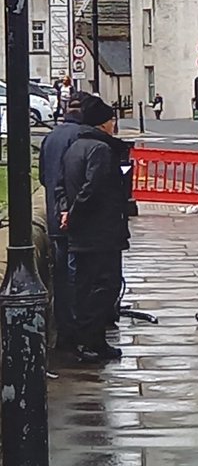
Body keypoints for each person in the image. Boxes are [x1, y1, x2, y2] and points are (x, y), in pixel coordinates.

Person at [58, 96, 130, 363]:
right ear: (102, 123)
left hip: (83, 231)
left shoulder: (74, 146)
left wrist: (66, 211)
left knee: (85, 285)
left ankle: (90, 341)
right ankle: (92, 341)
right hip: (100, 232)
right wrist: (75, 214)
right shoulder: (100, 150)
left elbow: (60, 184)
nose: (114, 125)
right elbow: (93, 188)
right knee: (105, 286)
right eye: (112, 120)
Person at [39, 91, 87, 351]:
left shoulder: (50, 137)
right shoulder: (81, 138)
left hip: (54, 215)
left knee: (60, 272)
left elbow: (44, 178)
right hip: (74, 217)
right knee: (76, 273)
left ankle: (63, 324)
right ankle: (74, 327)